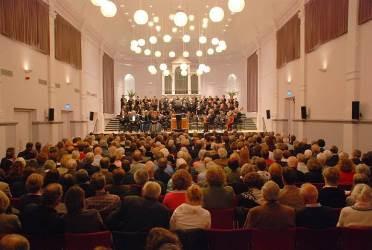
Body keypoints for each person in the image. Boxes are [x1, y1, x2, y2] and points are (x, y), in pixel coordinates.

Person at [106, 181, 171, 232]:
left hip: (124, 241)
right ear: (158, 195)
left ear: (143, 192)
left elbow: (112, 219)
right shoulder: (164, 210)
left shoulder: (128, 201)